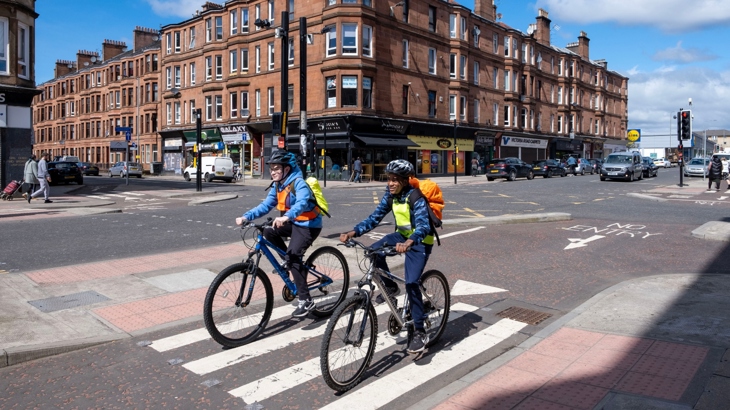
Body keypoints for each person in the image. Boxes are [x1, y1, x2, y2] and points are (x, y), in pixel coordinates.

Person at [340, 159, 433, 354]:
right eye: (389, 179)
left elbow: (424, 226)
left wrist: (410, 242)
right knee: (373, 251)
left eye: (395, 180)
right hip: (400, 237)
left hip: (419, 241)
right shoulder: (391, 196)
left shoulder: (416, 197)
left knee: (411, 282)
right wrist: (354, 232)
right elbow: (375, 218)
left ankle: (419, 330)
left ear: (406, 180)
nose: (390, 183)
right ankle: (390, 287)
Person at [235, 149, 324, 318]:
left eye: (277, 168)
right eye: (272, 168)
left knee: (293, 256)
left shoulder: (298, 183)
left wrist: (286, 217)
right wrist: (246, 216)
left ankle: (306, 301)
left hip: (308, 225)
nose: (273, 171)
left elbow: (302, 203)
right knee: (269, 231)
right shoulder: (278, 185)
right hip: (292, 222)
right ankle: (289, 262)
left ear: (287, 169)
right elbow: (266, 205)